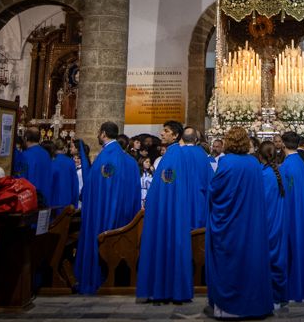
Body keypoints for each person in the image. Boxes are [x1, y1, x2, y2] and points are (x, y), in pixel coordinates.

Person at [205, 127, 273, 319]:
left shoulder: (226, 163)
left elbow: (215, 191)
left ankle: (229, 308)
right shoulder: (253, 163)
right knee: (250, 260)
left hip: (231, 223)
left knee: (230, 260)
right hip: (251, 222)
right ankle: (254, 303)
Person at [137, 119, 206, 303]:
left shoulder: (174, 155)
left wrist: (154, 202)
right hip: (168, 208)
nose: (162, 134)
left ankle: (165, 288)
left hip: (168, 210)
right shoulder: (173, 154)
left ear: (175, 135)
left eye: (166, 131)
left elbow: (168, 184)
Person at [75, 122, 141, 295]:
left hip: (103, 217)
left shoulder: (105, 158)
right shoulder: (129, 160)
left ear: (103, 134)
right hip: (125, 219)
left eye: (98, 132)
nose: (98, 135)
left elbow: (91, 188)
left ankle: (98, 277)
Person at [277, 132, 304, 302]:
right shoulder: (299, 163)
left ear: (283, 144)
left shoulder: (287, 166)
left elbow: (286, 194)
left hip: (291, 215)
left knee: (292, 248)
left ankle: (294, 287)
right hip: (301, 213)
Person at [256, 138, 288, 307]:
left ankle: (269, 295)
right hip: (279, 220)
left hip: (265, 222)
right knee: (278, 257)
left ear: (259, 156)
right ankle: (280, 295)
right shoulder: (279, 172)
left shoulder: (262, 174)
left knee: (267, 258)